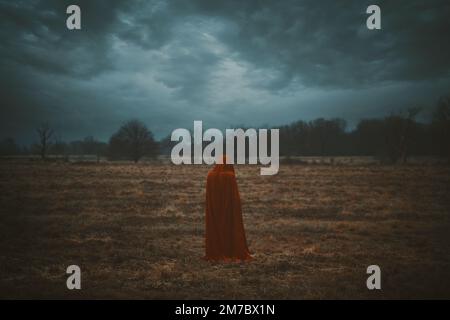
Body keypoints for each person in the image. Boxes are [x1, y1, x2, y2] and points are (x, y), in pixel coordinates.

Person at [204, 155, 252, 262]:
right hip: (228, 208)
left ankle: (217, 251)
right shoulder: (230, 176)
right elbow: (235, 196)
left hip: (214, 208)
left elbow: (208, 195)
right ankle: (229, 251)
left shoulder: (210, 176)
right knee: (229, 227)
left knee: (215, 227)